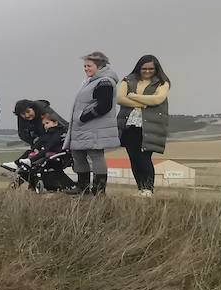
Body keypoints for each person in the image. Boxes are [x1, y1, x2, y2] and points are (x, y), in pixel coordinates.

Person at [64, 51, 121, 196]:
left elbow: (104, 105)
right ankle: (82, 186)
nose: (86, 69)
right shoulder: (91, 81)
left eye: (89, 66)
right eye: (84, 66)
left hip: (94, 126)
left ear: (99, 66)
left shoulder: (105, 81)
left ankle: (99, 189)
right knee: (77, 153)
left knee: (96, 155)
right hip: (83, 127)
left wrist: (84, 116)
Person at [117, 55, 172, 198]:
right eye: (144, 68)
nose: (147, 71)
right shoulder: (128, 80)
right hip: (129, 125)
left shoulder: (162, 82)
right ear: (139, 68)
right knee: (133, 158)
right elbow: (119, 98)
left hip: (149, 127)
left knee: (144, 157)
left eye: (151, 69)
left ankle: (148, 189)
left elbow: (157, 99)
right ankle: (140, 188)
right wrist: (143, 104)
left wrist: (133, 96)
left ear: (156, 69)